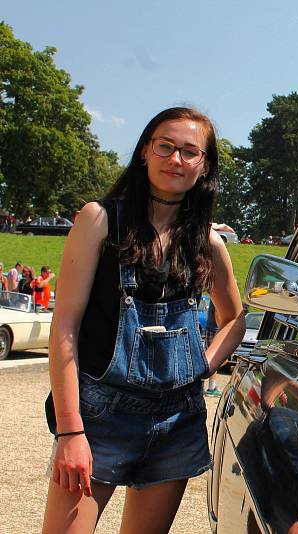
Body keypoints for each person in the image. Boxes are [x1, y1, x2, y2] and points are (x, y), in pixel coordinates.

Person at [42, 107, 246, 533]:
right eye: (166, 147)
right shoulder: (100, 220)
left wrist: (203, 364)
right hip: (99, 416)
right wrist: (69, 433)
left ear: (204, 166)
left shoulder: (207, 242)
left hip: (175, 420)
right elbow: (64, 328)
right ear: (144, 153)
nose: (176, 159)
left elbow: (235, 319)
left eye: (190, 152)